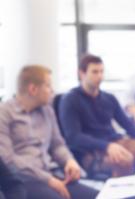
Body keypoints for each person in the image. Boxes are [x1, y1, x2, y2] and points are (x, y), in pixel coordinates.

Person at [0, 65, 98, 199]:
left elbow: (57, 145)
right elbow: (8, 160)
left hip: (52, 174)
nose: (52, 90)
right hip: (25, 180)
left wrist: (69, 161)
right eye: (48, 86)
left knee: (99, 196)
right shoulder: (4, 113)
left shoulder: (47, 110)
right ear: (33, 89)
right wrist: (47, 179)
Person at [59, 54, 135, 177]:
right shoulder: (70, 99)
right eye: (95, 72)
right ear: (82, 73)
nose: (100, 76)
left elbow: (127, 123)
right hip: (91, 152)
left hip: (116, 143)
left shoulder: (109, 98)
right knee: (124, 160)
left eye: (101, 72)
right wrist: (106, 146)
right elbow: (73, 137)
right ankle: (123, 195)